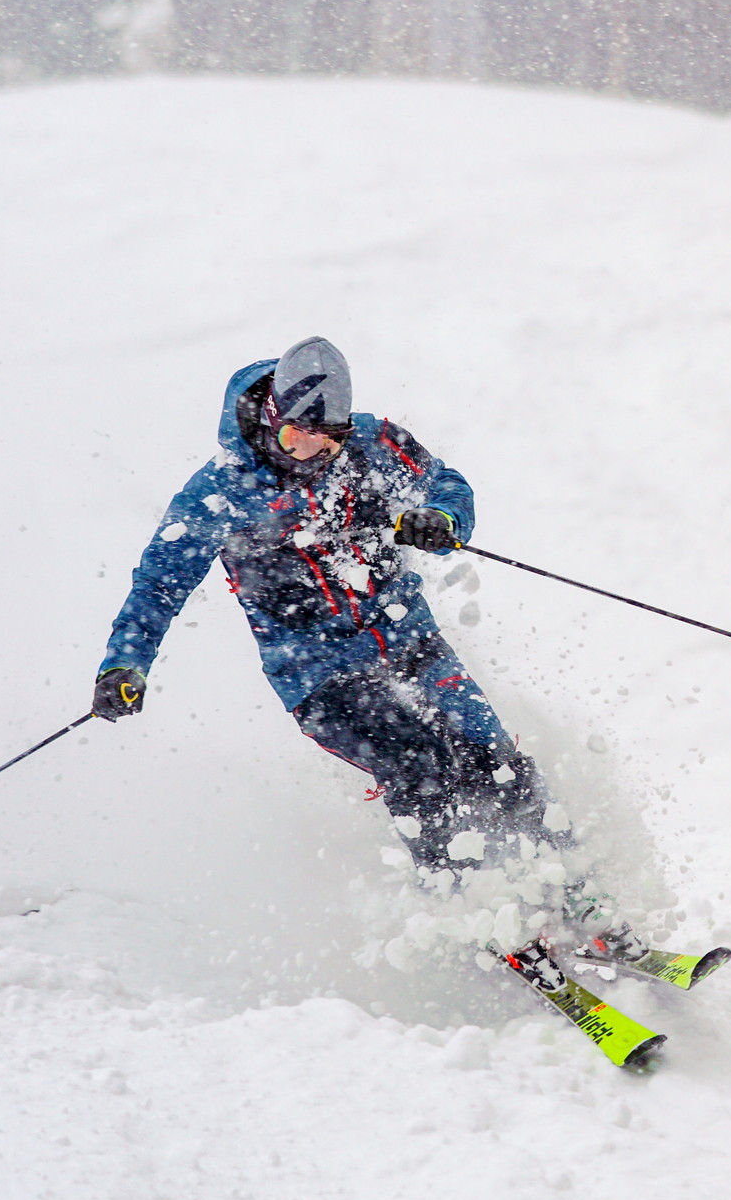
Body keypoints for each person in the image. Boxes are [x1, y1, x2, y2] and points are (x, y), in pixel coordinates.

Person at [93, 339, 645, 969]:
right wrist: (124, 664)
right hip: (318, 677)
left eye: (329, 437)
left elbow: (445, 483)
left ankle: (578, 897)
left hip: (412, 642)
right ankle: (474, 913)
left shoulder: (373, 444)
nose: (316, 451)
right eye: (302, 435)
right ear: (273, 419)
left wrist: (439, 517)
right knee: (420, 767)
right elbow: (160, 583)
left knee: (496, 761)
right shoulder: (217, 494)